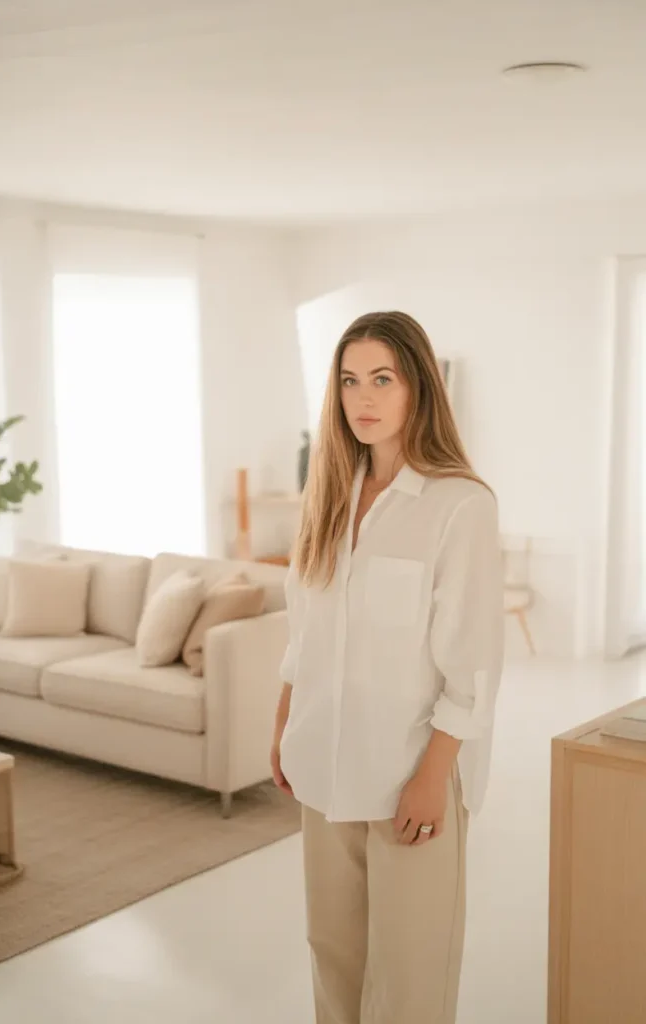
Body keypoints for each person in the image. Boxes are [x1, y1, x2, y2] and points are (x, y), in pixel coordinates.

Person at [271, 311, 504, 1024]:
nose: (362, 398)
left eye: (382, 378)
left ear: (417, 390)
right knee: (332, 957)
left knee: (409, 984)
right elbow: (303, 633)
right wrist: (283, 726)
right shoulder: (328, 497)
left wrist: (433, 777)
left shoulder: (458, 506)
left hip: (408, 778)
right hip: (321, 769)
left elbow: (471, 663)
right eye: (349, 380)